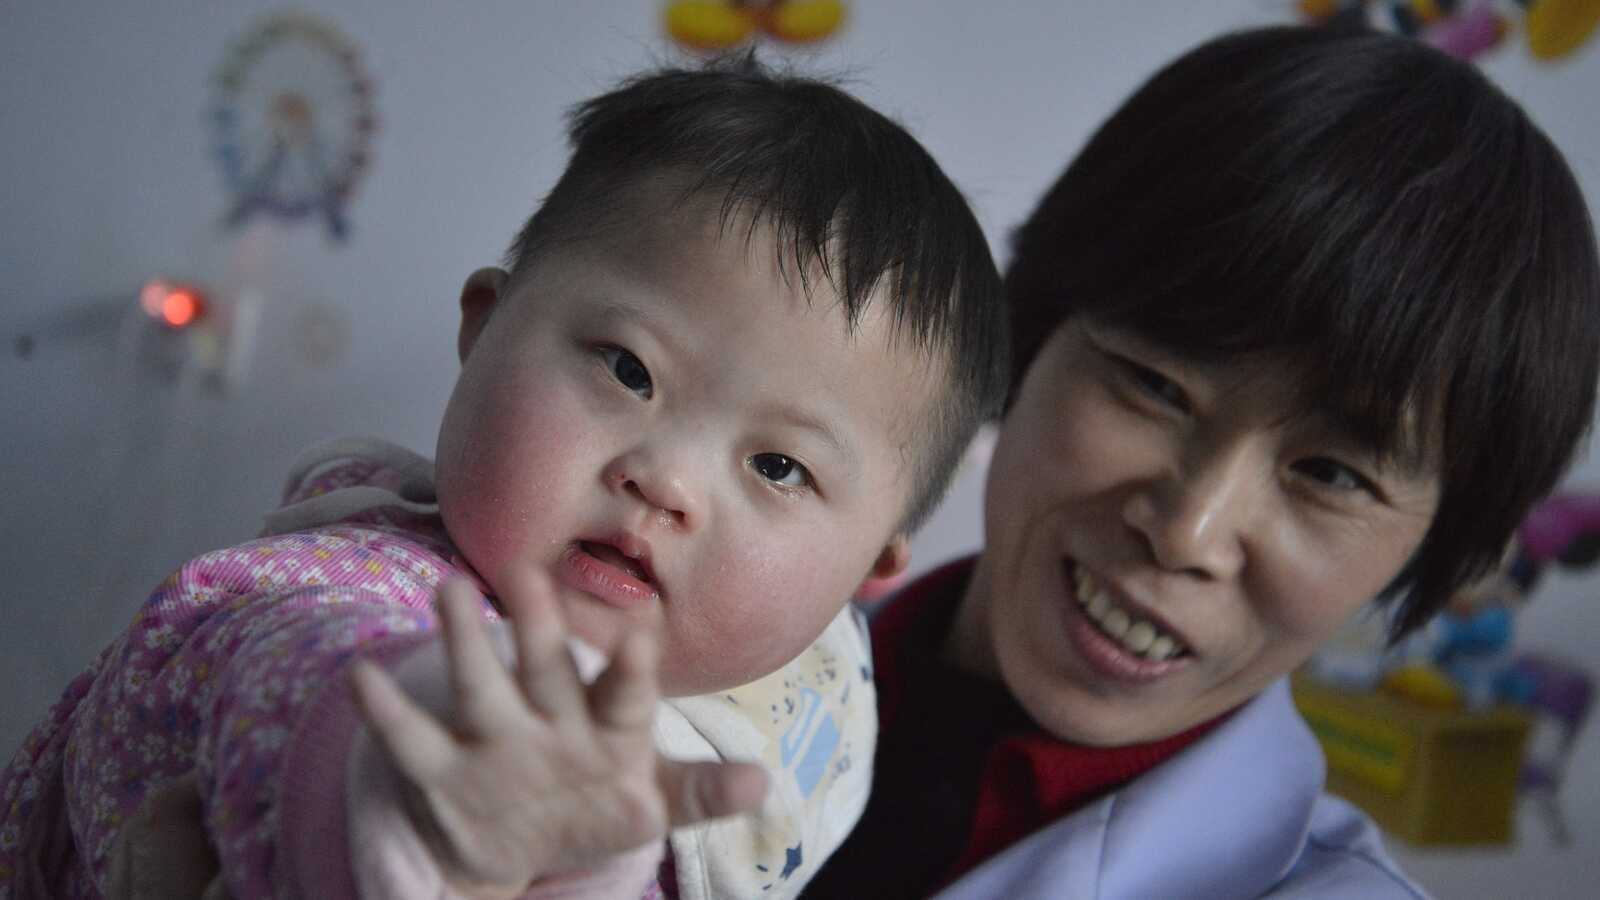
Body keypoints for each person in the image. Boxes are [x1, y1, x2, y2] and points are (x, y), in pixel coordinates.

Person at [0, 56, 1009, 900]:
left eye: (779, 466)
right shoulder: (352, 591)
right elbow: (295, 665)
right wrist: (422, 788)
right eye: (629, 369)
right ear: (484, 324)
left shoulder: (804, 700)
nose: (665, 480)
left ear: (866, 570)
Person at [805, 23, 1600, 899]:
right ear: (1031, 337)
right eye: (1157, 386)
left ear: (1434, 546)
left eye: (1332, 476)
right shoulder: (696, 655)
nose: (1189, 530)